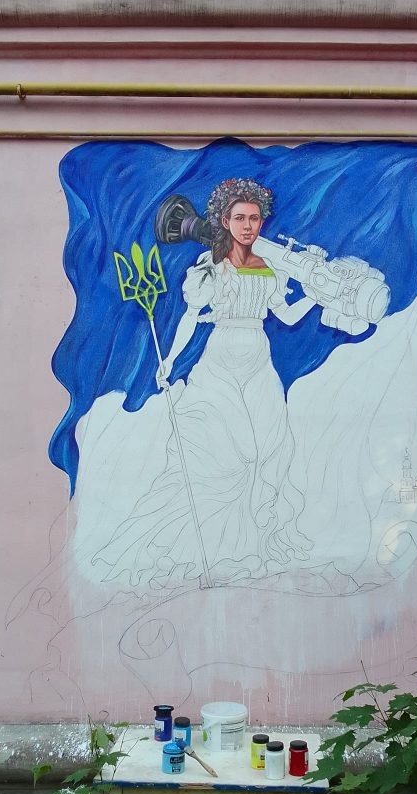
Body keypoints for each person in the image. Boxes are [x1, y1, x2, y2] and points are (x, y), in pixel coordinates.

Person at [92, 178, 317, 588]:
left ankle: (251, 547)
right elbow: (191, 317)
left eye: (254, 218)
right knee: (219, 455)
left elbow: (284, 316)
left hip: (259, 359)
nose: (247, 226)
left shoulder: (271, 269)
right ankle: (207, 551)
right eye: (239, 218)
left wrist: (314, 297)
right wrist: (170, 360)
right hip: (220, 361)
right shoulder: (209, 266)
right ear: (225, 221)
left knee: (271, 448)